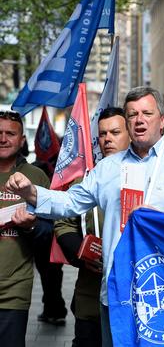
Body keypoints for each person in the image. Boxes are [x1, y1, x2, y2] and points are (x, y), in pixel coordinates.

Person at [5, 86, 164, 347]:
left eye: (146, 113)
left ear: (163, 120)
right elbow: (71, 202)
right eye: (132, 115)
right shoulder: (108, 167)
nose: (139, 120)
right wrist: (32, 193)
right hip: (117, 292)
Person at [54, 107, 130, 347]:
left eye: (115, 132)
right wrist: (81, 253)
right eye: (103, 134)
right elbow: (64, 221)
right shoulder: (88, 178)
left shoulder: (148, 176)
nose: (107, 139)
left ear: (130, 133)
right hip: (91, 293)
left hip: (134, 295)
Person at [0, 111, 52, 347]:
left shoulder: (36, 177)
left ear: (22, 140)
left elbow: (50, 233)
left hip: (14, 288)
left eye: (10, 133)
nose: (3, 138)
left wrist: (32, 227)